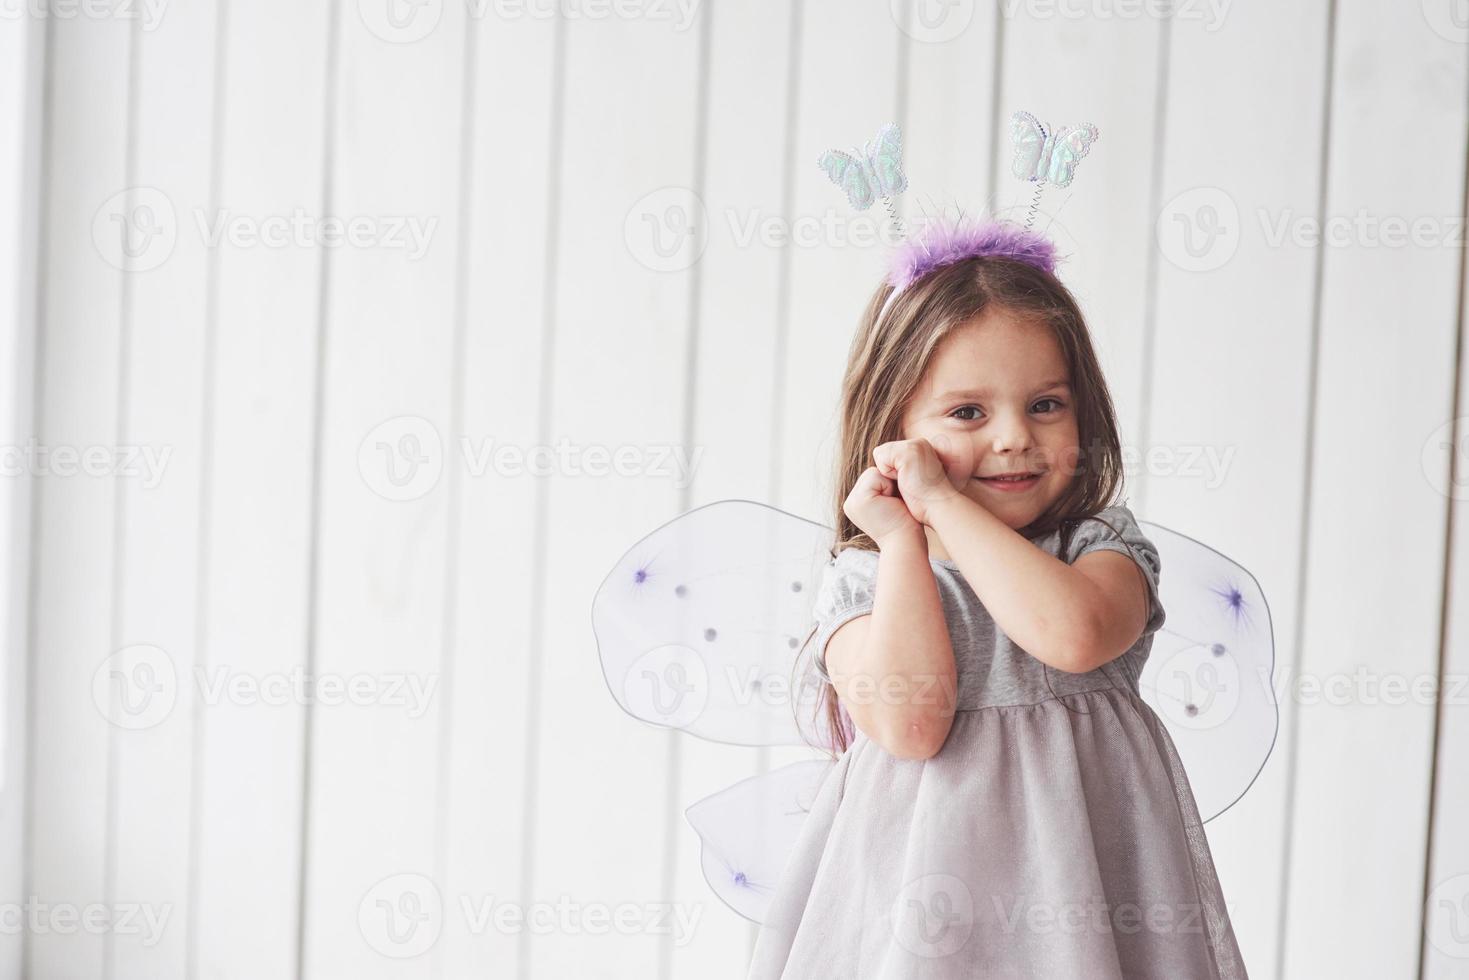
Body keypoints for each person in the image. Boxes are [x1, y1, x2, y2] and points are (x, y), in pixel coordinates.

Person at [744, 222, 1250, 979]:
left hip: (1090, 891)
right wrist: (906, 543)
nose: (1014, 437)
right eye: (967, 413)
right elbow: (911, 725)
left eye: (1045, 404)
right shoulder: (865, 579)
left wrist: (947, 507)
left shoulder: (1097, 546)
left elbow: (1073, 636)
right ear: (893, 433)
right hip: (918, 903)